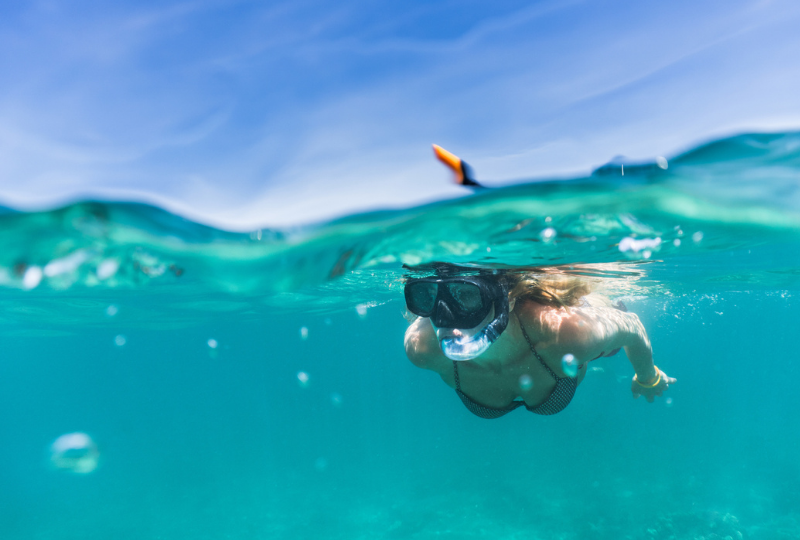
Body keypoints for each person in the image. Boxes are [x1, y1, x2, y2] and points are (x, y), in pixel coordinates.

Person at [403, 263, 675, 418]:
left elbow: (633, 326)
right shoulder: (422, 348)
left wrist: (647, 376)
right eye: (426, 297)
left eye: (467, 295)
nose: (444, 317)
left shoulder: (566, 333)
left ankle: (607, 305)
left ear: (506, 299)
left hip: (570, 321)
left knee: (606, 343)